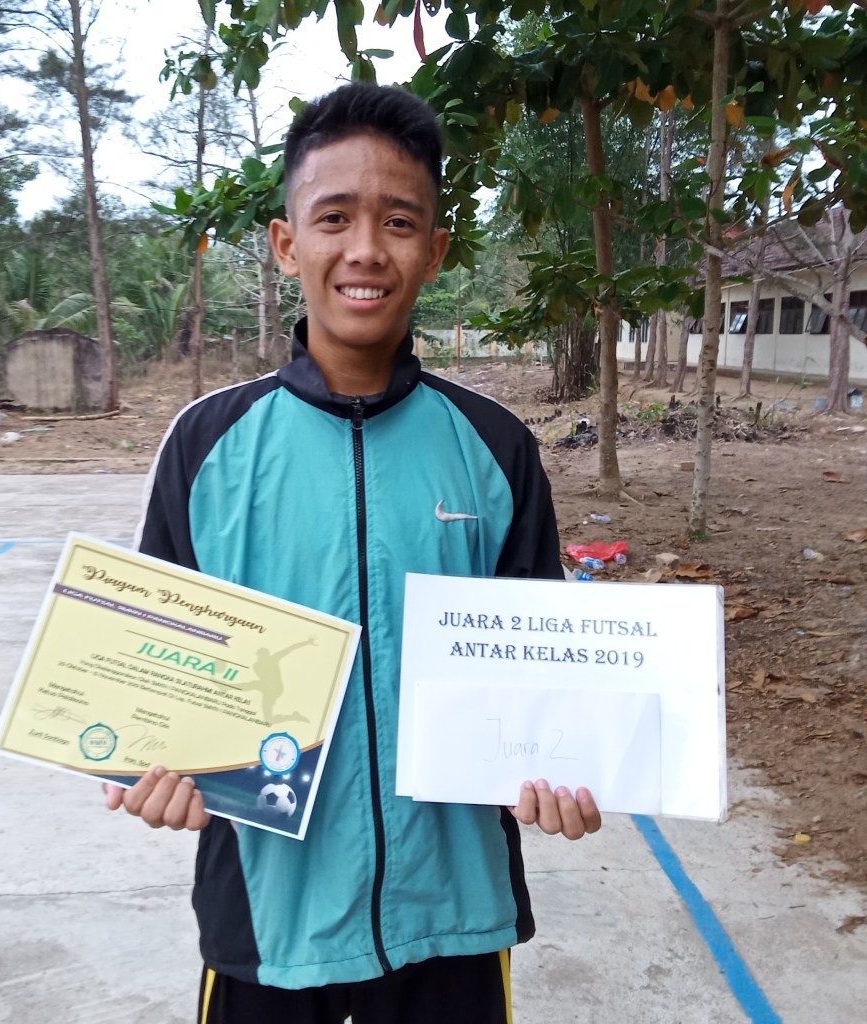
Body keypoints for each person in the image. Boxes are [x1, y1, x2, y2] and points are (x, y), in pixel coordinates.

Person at [104, 82, 601, 1024]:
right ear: (287, 243)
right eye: (334, 217)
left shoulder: (495, 449)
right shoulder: (207, 447)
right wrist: (156, 765)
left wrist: (569, 768)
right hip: (268, 924)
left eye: (399, 221)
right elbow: (152, 681)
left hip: (453, 919)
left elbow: (545, 680)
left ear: (436, 251)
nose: (366, 249)